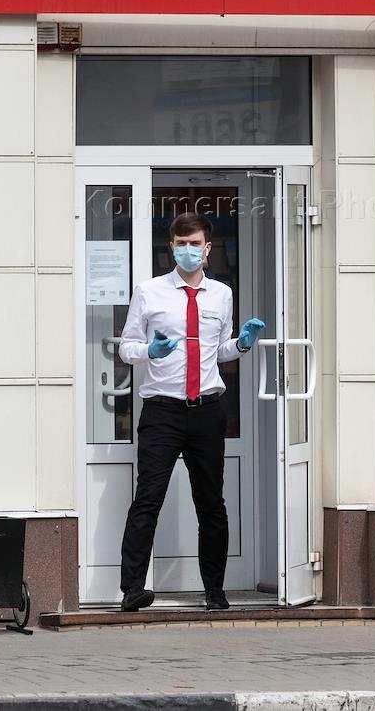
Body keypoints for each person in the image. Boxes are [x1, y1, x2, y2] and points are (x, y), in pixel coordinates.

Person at [116, 211, 265, 613]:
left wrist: (243, 344)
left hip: (206, 412)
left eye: (195, 244)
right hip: (162, 411)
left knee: (211, 504)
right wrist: (150, 351)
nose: (188, 250)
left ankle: (214, 591)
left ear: (208, 248)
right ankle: (132, 589)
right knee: (148, 499)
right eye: (181, 244)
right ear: (171, 248)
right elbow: (126, 348)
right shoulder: (149, 291)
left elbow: (219, 351)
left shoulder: (221, 294)